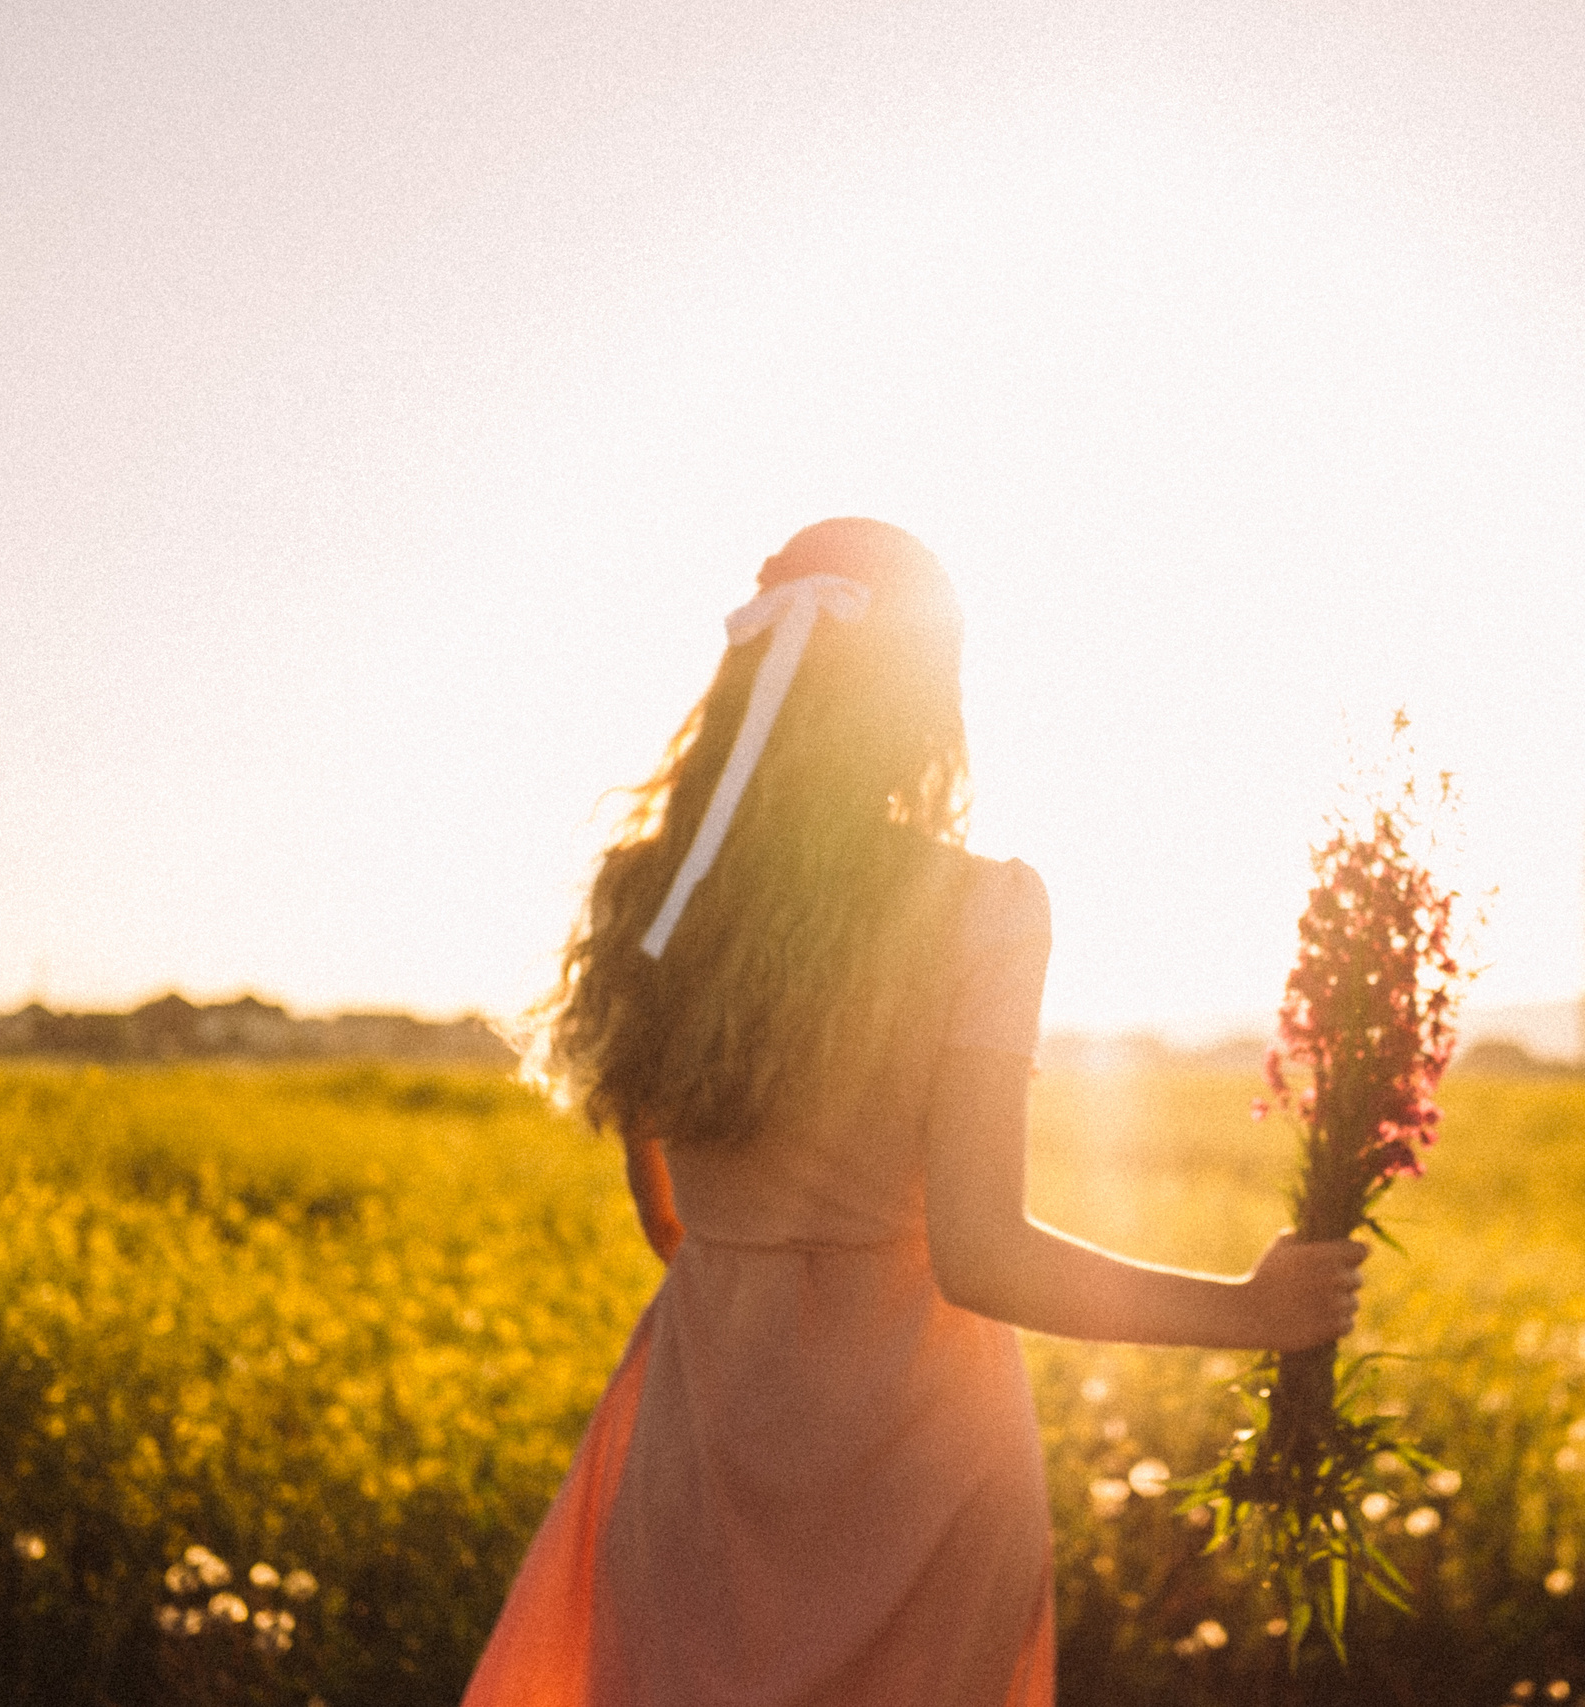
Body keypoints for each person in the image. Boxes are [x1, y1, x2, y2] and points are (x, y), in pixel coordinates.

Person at [462, 518, 1366, 1707]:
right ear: (922, 696)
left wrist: (768, 1268)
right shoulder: (983, 908)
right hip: (918, 1460)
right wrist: (1250, 1312)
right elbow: (981, 1255)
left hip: (704, 1446)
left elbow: (668, 1218)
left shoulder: (656, 896)